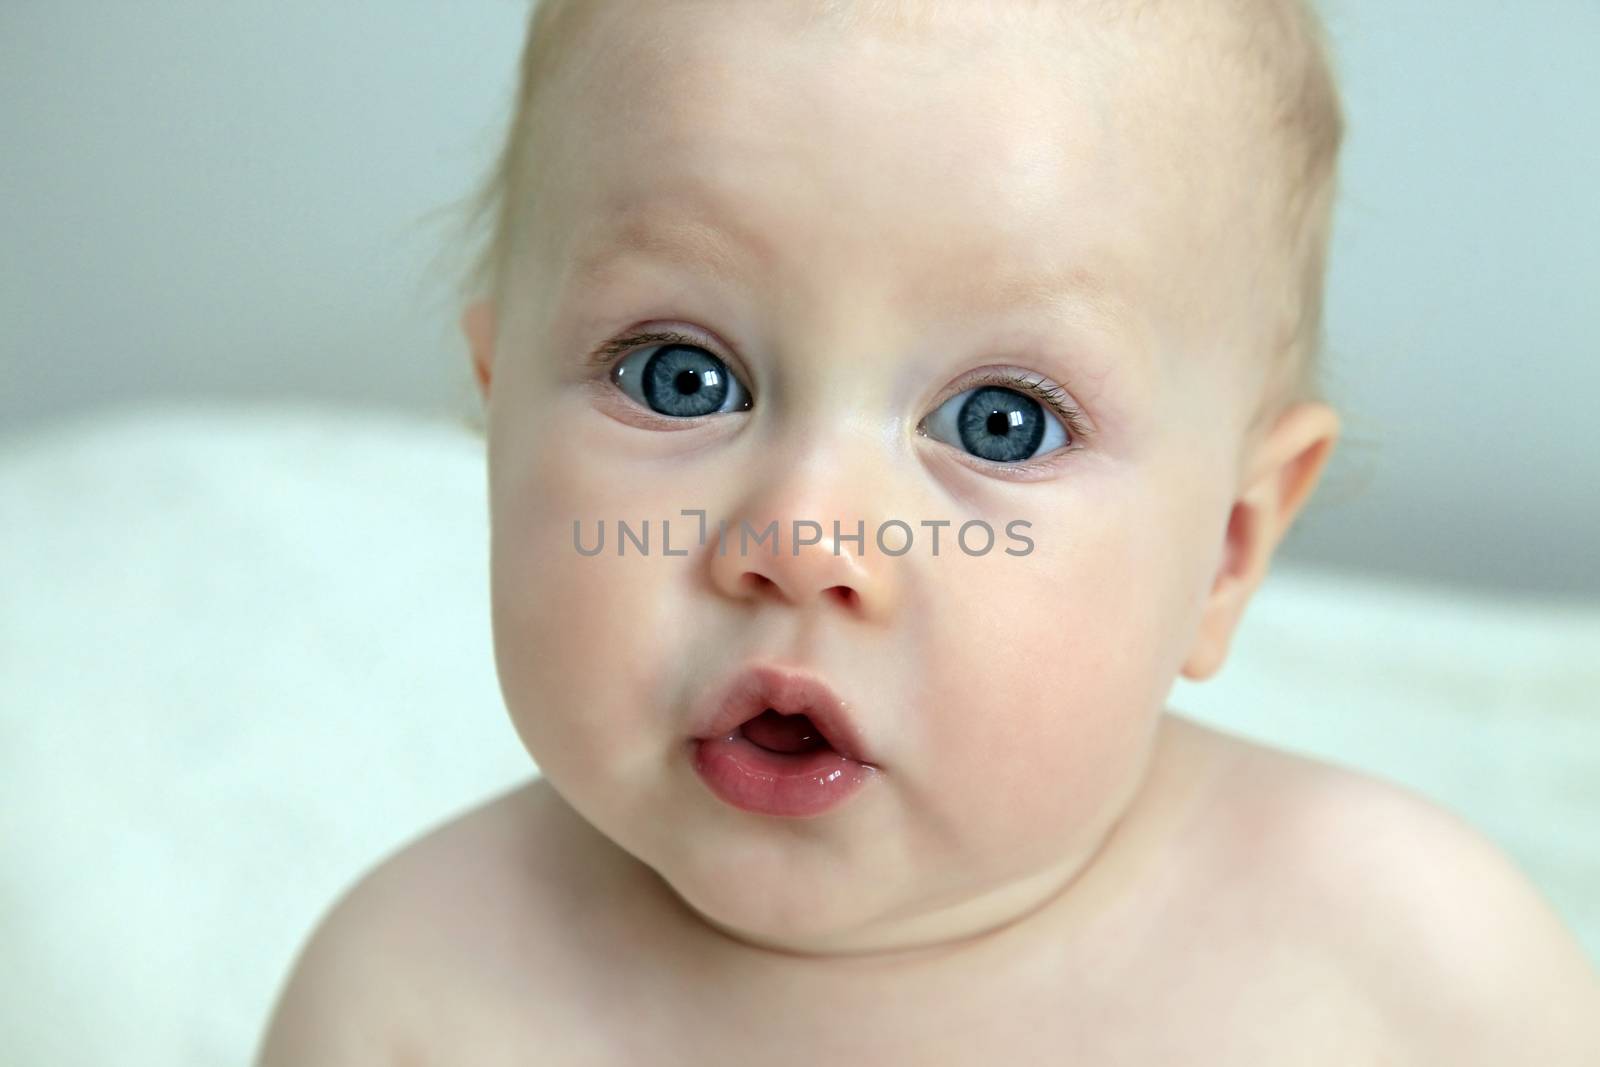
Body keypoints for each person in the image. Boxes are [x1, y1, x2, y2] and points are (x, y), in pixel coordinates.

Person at [257, 1, 1600, 1062]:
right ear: (499, 436)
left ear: (1228, 551)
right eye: (681, 374)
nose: (802, 539)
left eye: (1002, 422)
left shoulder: (1404, 973)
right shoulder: (408, 1002)